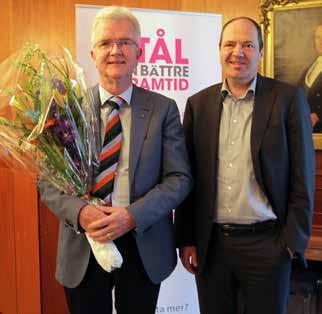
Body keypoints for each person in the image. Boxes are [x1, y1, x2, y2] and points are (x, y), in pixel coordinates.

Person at [38, 6, 192, 314]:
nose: (115, 51)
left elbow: (179, 179)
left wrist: (132, 215)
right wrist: (82, 214)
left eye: (125, 43)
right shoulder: (67, 110)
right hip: (84, 244)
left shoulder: (163, 109)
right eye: (106, 43)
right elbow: (47, 182)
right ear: (93, 53)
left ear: (139, 52)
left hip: (142, 243)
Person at [175, 17, 315, 314]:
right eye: (230, 44)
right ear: (219, 50)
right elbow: (189, 179)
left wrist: (292, 241)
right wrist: (187, 239)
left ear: (260, 53)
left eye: (248, 45)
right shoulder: (198, 105)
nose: (237, 52)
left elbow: (303, 174)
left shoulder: (288, 100)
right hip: (212, 245)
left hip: (268, 244)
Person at [299, 24, 322, 132]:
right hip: (304, 126)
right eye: (318, 37)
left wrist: (318, 115)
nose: (320, 41)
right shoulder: (311, 66)